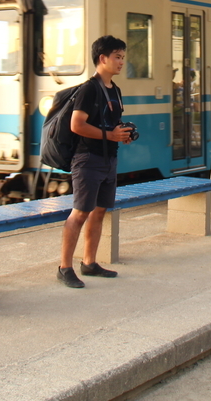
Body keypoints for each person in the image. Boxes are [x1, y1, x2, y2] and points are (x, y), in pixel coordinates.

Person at [57, 35, 135, 289]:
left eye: (123, 57)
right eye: (117, 57)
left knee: (99, 211)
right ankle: (65, 267)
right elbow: (77, 125)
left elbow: (110, 125)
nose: (122, 62)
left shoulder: (116, 90)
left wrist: (122, 135)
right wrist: (110, 135)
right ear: (103, 58)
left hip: (108, 158)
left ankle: (89, 262)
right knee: (79, 213)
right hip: (87, 159)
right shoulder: (89, 89)